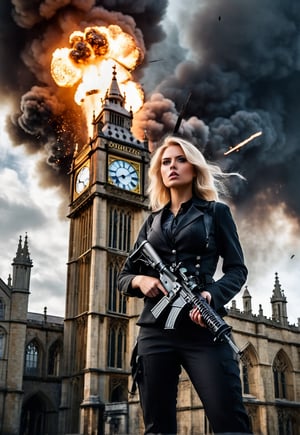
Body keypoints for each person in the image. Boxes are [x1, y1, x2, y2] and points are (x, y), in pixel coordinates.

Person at [118, 135, 252, 435]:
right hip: (155, 332)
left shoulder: (216, 213)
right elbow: (124, 276)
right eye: (166, 162)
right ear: (159, 172)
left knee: (230, 421)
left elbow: (236, 270)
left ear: (194, 168)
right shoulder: (151, 222)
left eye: (180, 160)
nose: (172, 166)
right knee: (157, 428)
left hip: (202, 330)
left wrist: (211, 295)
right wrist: (142, 280)